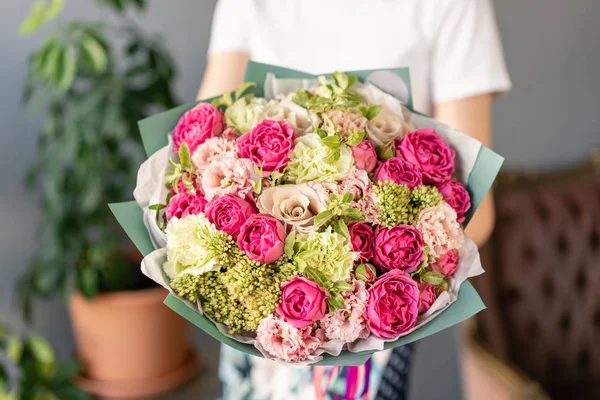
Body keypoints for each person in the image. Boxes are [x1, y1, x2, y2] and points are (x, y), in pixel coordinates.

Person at [198, 0, 511, 398]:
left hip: (372, 312)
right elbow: (201, 144)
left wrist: (355, 287)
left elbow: (477, 212)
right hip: (260, 314)